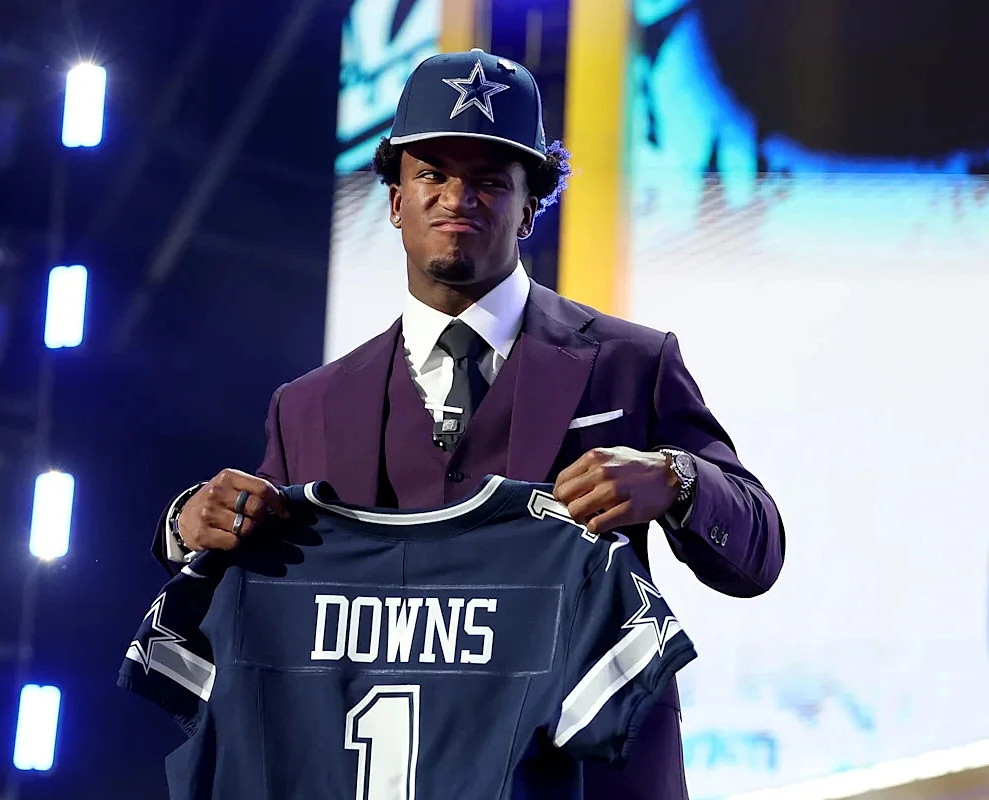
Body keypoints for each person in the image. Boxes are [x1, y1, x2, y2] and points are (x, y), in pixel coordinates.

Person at [152, 49, 785, 799]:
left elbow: (758, 552)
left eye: (490, 179)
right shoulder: (309, 405)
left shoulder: (633, 362)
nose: (459, 198)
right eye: (433, 174)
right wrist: (186, 524)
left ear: (530, 206)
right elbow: (252, 551)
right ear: (396, 200)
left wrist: (679, 480)